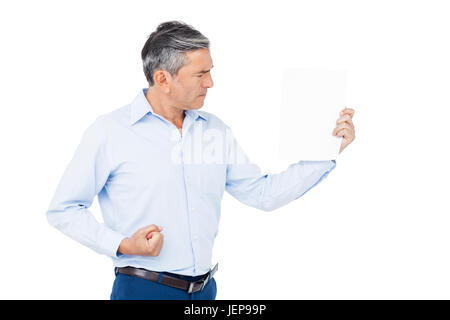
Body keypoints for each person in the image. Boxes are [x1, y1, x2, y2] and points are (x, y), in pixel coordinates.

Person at [46, 20, 356, 300]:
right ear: (163, 79)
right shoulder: (110, 132)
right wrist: (122, 244)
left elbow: (263, 194)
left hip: (205, 292)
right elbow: (64, 209)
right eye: (201, 74)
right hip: (142, 291)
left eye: (210, 71)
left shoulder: (214, 130)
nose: (210, 83)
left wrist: (326, 152)